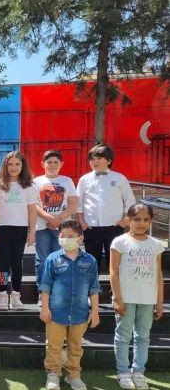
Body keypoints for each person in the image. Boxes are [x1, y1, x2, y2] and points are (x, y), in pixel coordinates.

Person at [39, 219, 100, 390]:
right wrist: (45, 308)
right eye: (63, 236)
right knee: (53, 345)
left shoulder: (90, 261)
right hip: (56, 313)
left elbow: (94, 288)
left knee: (76, 346)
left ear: (80, 238)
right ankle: (53, 374)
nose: (66, 239)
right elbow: (45, 286)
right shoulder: (52, 259)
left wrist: (95, 311)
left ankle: (74, 375)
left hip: (80, 313)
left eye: (71, 236)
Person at [110, 204, 165, 390]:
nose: (141, 223)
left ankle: (138, 372)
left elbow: (158, 275)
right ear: (128, 220)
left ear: (151, 221)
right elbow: (114, 272)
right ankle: (123, 372)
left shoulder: (156, 244)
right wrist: (117, 298)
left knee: (143, 336)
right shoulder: (119, 242)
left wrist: (159, 301)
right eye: (137, 219)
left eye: (146, 219)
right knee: (123, 336)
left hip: (148, 299)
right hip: (126, 298)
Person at [0, 151, 38, 310]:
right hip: (2, 228)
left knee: (17, 264)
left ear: (23, 166)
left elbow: (32, 210)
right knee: (3, 264)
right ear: (5, 166)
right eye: (10, 164)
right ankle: (2, 295)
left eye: (17, 164)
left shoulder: (29, 186)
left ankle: (16, 296)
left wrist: (32, 231)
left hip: (20, 229)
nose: (13, 167)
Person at [76, 144, 136, 272]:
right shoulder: (84, 179)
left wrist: (125, 221)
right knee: (92, 262)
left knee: (115, 262)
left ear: (108, 160)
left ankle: (115, 285)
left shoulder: (119, 178)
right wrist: (81, 222)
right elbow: (78, 202)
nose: (95, 162)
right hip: (91, 227)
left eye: (99, 158)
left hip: (114, 226)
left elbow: (130, 201)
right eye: (92, 159)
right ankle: (93, 285)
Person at [33, 150, 79, 304]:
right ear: (43, 164)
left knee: (61, 259)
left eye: (55, 162)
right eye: (49, 162)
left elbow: (73, 203)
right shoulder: (36, 182)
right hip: (41, 227)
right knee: (42, 260)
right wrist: (49, 218)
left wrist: (58, 220)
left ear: (61, 164)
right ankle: (43, 292)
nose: (52, 165)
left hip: (62, 228)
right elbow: (33, 204)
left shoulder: (67, 181)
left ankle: (59, 292)